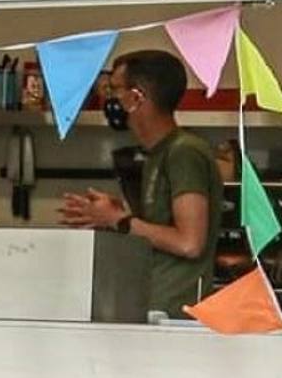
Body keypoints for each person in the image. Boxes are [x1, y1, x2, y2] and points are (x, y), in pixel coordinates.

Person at [59, 50, 223, 318]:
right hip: (152, 308)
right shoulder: (157, 154)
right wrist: (117, 217)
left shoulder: (184, 152)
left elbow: (189, 243)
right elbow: (158, 234)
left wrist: (120, 221)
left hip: (174, 316)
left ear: (136, 98)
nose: (108, 99)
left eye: (114, 90)